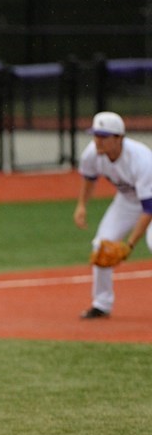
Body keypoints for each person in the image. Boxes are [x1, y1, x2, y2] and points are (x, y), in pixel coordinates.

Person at [73, 111, 152, 318]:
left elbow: (148, 209)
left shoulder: (142, 160)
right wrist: (81, 206)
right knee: (101, 246)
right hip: (127, 201)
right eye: (95, 135)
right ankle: (102, 303)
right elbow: (89, 179)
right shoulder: (92, 153)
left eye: (103, 136)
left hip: (149, 204)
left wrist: (130, 245)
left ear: (119, 138)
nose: (98, 141)